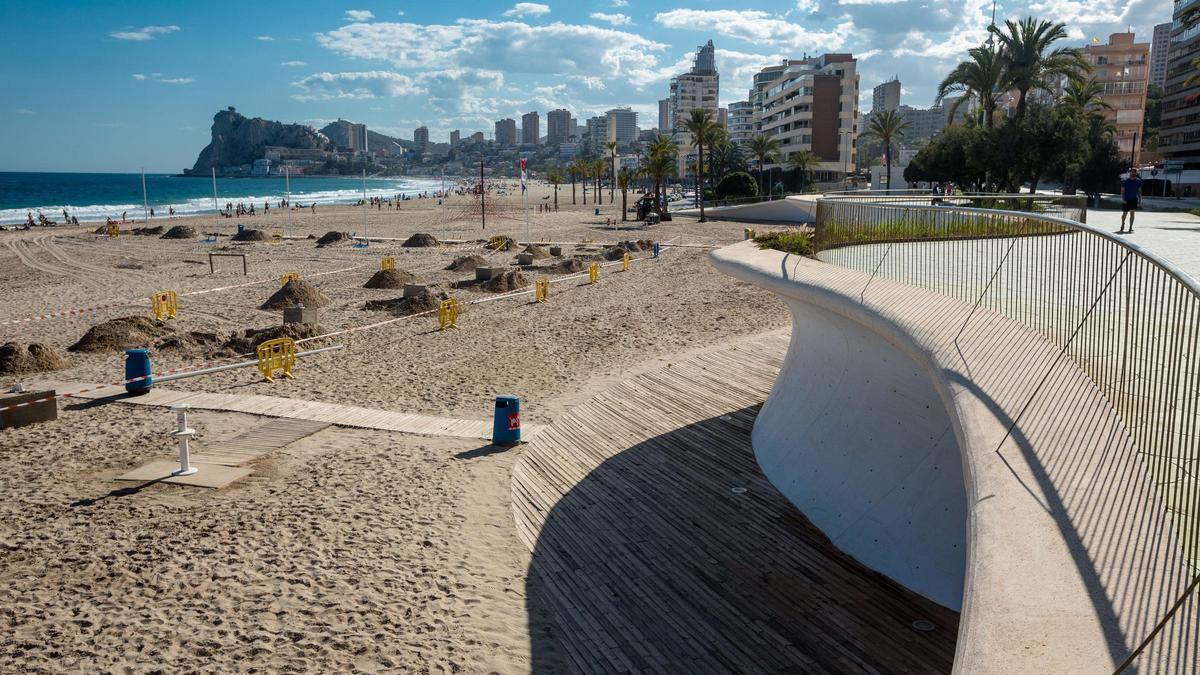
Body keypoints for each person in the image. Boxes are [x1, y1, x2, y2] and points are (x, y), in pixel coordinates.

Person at [1119, 168, 1142, 234]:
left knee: (1132, 214)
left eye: (1134, 172)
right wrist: (1122, 199)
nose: (1133, 173)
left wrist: (1140, 200)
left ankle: (1130, 227)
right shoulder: (1125, 181)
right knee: (1125, 213)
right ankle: (1122, 224)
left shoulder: (1138, 181)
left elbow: (1139, 191)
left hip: (1134, 199)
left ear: (1136, 173)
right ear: (1130, 173)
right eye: (1132, 172)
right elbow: (1122, 191)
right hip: (1126, 199)